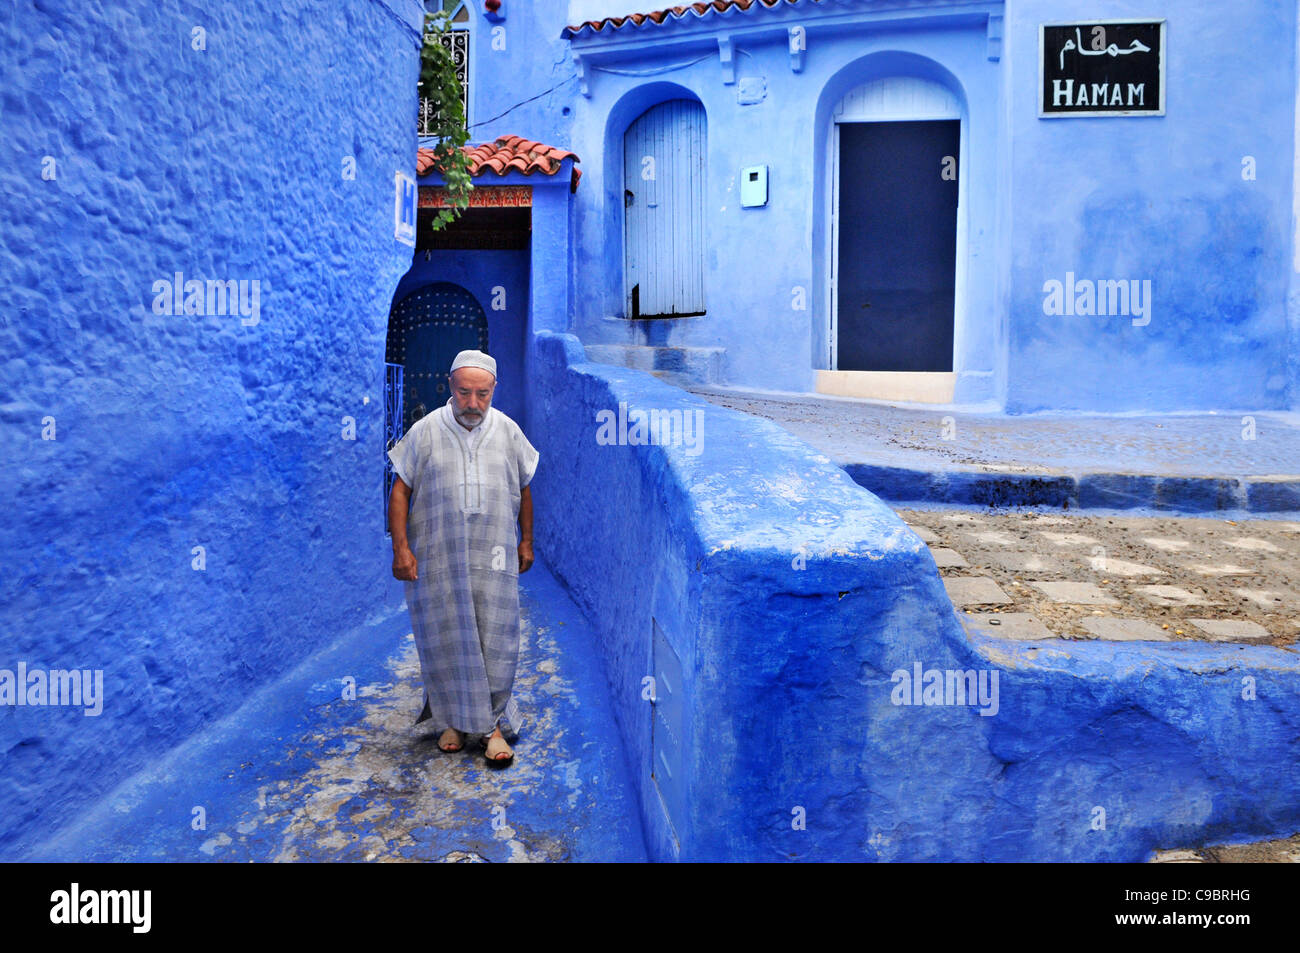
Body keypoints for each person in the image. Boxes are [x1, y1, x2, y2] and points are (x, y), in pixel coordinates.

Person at [387, 349, 538, 769]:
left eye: (483, 395)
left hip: (495, 557)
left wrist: (527, 542)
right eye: (465, 393)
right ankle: (451, 719)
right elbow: (400, 490)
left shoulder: (508, 431)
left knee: (496, 637)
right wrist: (401, 548)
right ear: (450, 387)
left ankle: (490, 727)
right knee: (445, 636)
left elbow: (524, 487)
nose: (473, 404)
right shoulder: (424, 431)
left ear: (494, 390)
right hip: (439, 556)